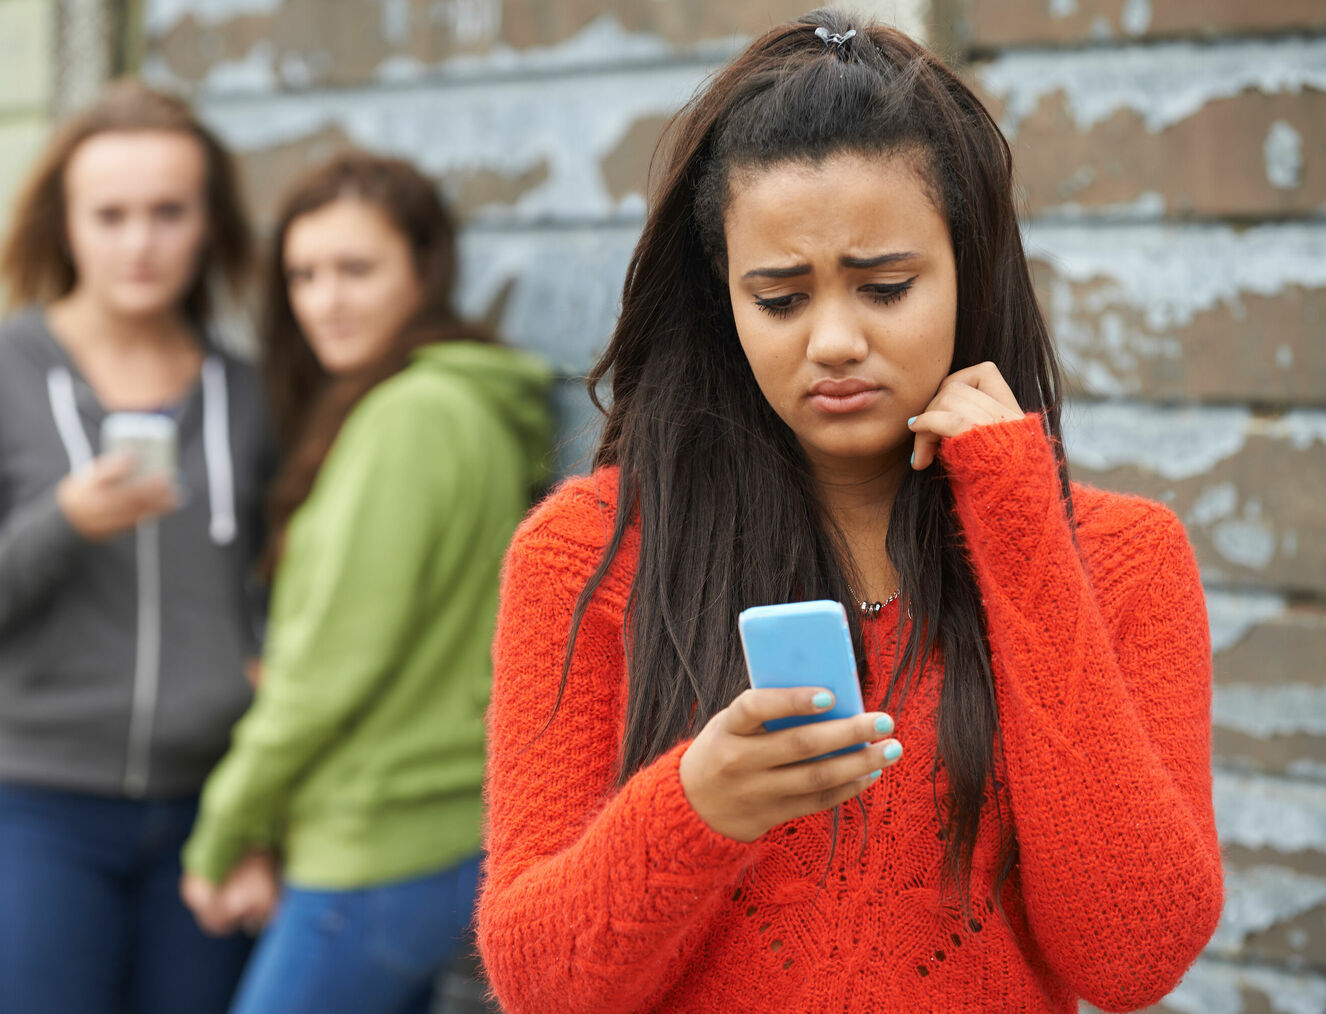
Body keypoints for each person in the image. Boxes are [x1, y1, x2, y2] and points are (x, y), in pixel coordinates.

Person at [477, 11, 1223, 1013]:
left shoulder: (1121, 558)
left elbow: (1131, 956)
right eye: (779, 299)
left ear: (970, 268)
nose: (832, 339)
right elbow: (538, 983)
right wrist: (693, 811)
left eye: (884, 286)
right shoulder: (586, 556)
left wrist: (1020, 527)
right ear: (721, 301)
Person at [0, 80, 276, 1014]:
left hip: (209, 812)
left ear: (207, 223)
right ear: (64, 224)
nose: (139, 241)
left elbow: (278, 594)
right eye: (109, 214)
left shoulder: (249, 390)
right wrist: (62, 523)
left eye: (168, 211)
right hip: (43, 811)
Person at [178, 152, 554, 1014]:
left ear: (424, 270)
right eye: (304, 275)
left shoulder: (411, 417)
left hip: (378, 846)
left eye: (356, 269)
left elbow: (326, 671)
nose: (325, 301)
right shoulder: (458, 401)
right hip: (434, 831)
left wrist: (222, 835)